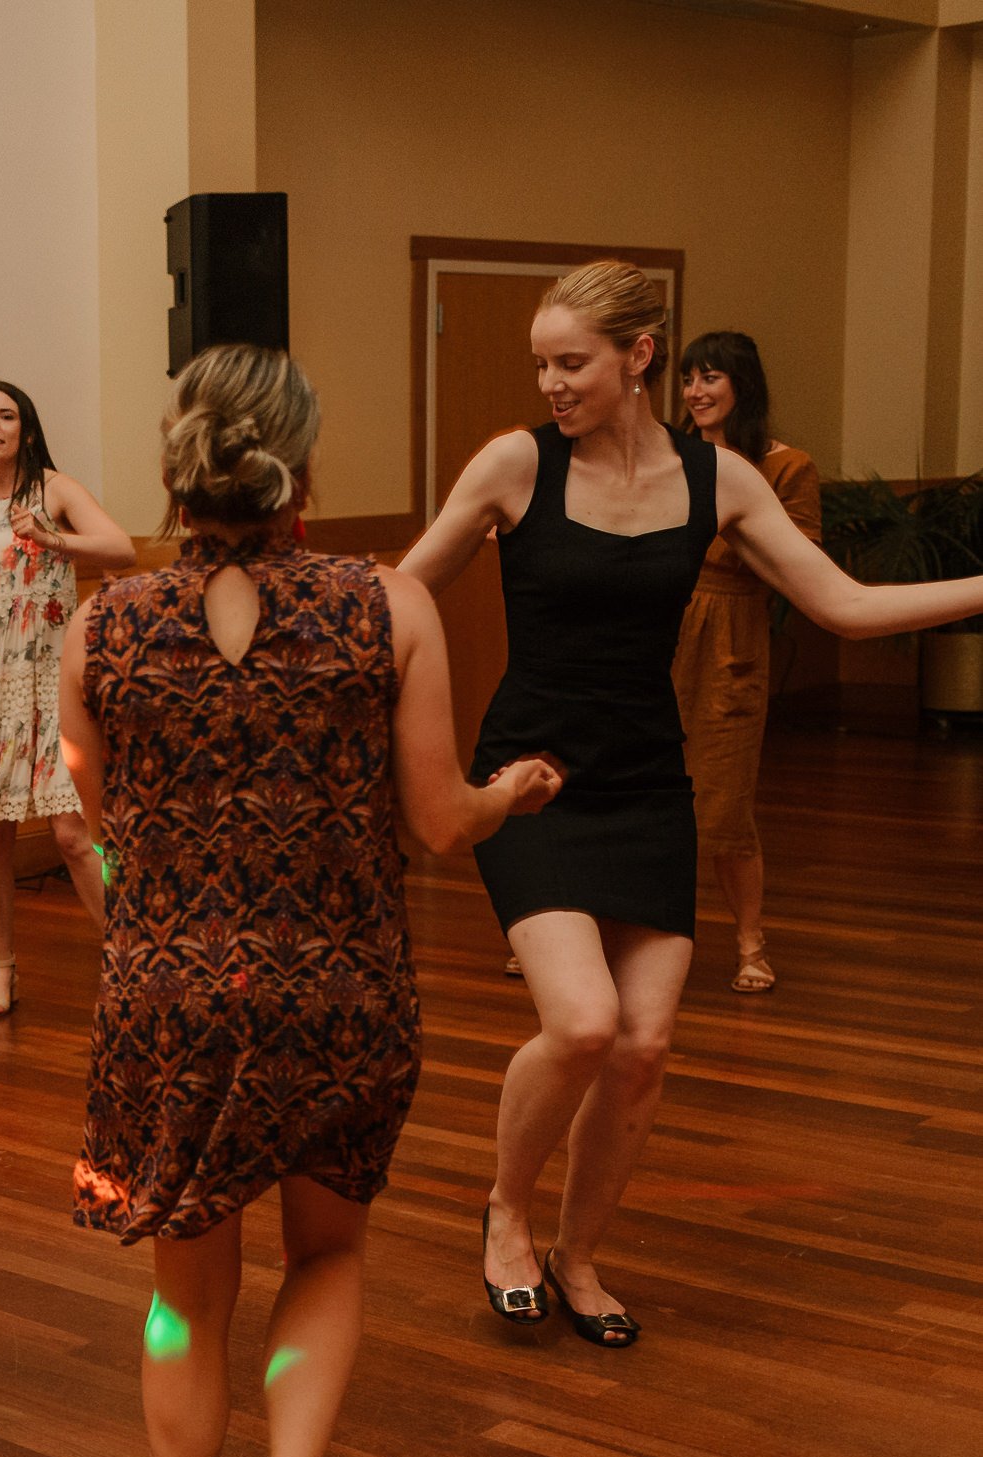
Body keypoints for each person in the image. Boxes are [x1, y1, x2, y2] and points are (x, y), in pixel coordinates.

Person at [62, 344, 560, 1457]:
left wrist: (156, 934)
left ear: (179, 476)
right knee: (327, 1252)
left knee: (185, 1298)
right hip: (337, 986)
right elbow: (443, 822)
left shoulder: (101, 623)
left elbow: (96, 827)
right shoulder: (385, 603)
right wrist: (512, 793)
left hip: (166, 993)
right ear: (303, 470)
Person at [400, 261, 983, 1349]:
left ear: (639, 358)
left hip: (645, 783)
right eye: (540, 362)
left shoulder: (720, 480)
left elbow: (844, 605)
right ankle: (504, 1211)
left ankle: (578, 1257)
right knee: (579, 1021)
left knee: (645, 1044)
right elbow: (400, 589)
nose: (551, 381)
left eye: (570, 362)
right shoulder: (516, 464)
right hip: (534, 784)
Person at [0, 380, 134, 1016]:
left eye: (6, 416)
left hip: (53, 683)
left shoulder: (55, 490)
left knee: (73, 833)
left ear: (27, 431)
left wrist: (53, 538)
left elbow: (121, 548)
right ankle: (2, 966)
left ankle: (128, 957)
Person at [673, 331, 821, 994]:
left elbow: (801, 565)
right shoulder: (668, 455)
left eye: (711, 378)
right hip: (660, 628)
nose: (696, 392)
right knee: (639, 789)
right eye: (688, 379)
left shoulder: (788, 466)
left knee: (726, 799)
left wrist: (735, 512)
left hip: (731, 635)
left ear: (742, 386)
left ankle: (750, 941)